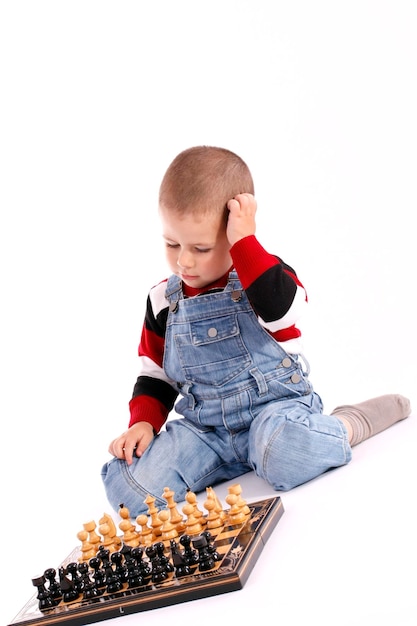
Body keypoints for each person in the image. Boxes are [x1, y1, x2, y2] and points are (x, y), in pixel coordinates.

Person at [101, 146, 411, 517]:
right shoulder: (162, 300)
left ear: (235, 232)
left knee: (282, 452)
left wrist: (245, 243)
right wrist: (143, 422)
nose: (184, 260)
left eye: (201, 248)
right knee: (129, 487)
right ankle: (234, 461)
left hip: (276, 413)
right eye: (172, 244)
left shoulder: (263, 275)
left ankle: (345, 426)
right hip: (207, 431)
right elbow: (155, 375)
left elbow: (284, 317)